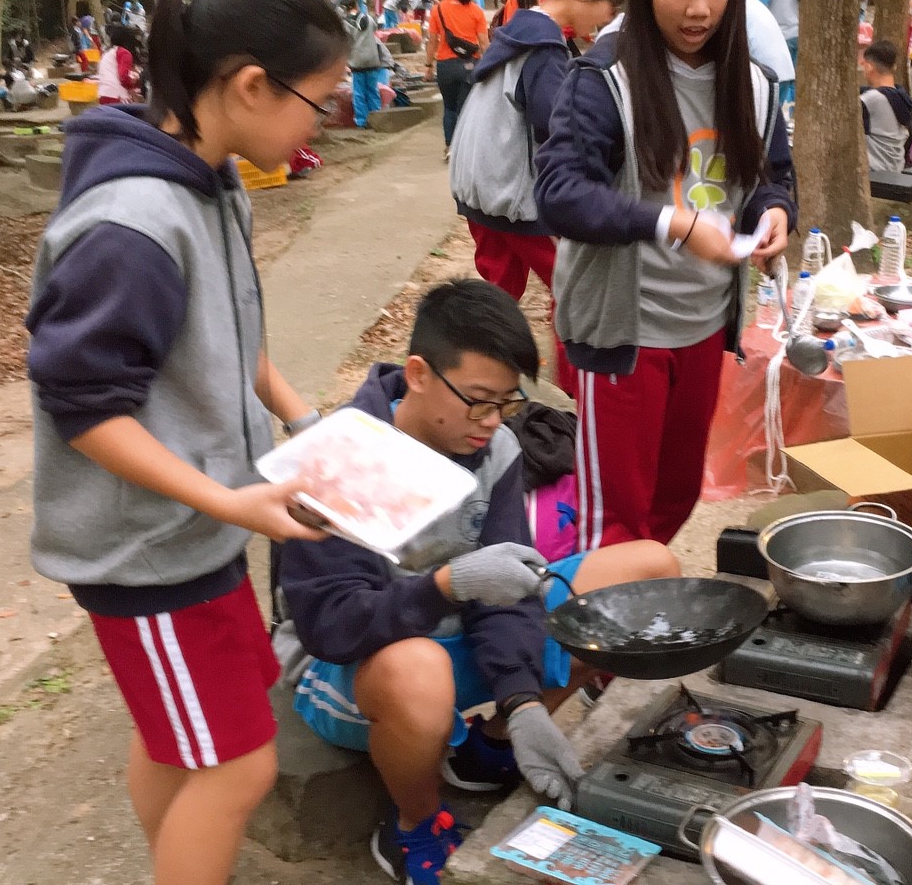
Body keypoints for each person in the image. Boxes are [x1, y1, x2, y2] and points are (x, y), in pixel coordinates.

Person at [22, 0, 348, 885]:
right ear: (250, 86)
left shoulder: (212, 176)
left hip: (196, 527)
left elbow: (229, 326)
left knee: (181, 740)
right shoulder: (133, 225)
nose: (325, 121)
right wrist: (229, 500)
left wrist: (304, 419)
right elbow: (83, 409)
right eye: (319, 101)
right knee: (237, 767)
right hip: (146, 548)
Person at [276, 280, 679, 885]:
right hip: (358, 669)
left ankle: (489, 751)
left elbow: (509, 585)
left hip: (457, 639)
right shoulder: (342, 457)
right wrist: (448, 584)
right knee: (420, 671)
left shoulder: (497, 448)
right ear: (418, 374)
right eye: (478, 402)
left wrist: (521, 702)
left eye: (506, 404)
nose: (491, 422)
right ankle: (414, 823)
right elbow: (333, 626)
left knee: (646, 570)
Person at [534, 0, 796, 550]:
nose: (700, 8)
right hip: (625, 336)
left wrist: (774, 212)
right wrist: (671, 223)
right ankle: (593, 609)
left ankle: (638, 598)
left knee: (674, 497)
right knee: (616, 520)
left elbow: (771, 177)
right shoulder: (604, 80)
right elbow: (560, 192)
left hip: (703, 328)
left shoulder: (754, 83)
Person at [454, 0, 625, 307]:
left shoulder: (519, 30)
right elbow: (557, 126)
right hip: (510, 197)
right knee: (577, 292)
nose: (607, 19)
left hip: (478, 190)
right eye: (610, 7)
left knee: (498, 302)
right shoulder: (544, 47)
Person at [427, 0, 490, 154]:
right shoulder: (476, 10)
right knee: (466, 109)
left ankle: (449, 147)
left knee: (449, 107)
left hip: (445, 65)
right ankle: (464, 150)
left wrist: (428, 66)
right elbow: (484, 42)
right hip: (470, 65)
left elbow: (432, 41)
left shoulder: (438, 10)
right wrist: (489, 65)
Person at [860, 41, 912, 174]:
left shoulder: (871, 99)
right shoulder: (900, 96)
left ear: (869, 67)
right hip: (896, 169)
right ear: (894, 67)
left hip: (875, 172)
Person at [744, 0, 796, 109]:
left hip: (767, 76)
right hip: (782, 69)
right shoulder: (750, 3)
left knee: (762, 118)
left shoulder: (736, 6)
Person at [348, 1, 394, 128]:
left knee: (359, 93)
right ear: (356, 6)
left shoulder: (345, 22)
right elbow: (374, 29)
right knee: (373, 91)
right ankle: (376, 119)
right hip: (372, 60)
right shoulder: (368, 18)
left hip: (357, 62)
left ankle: (361, 121)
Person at [96, 25, 142, 105]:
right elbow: (123, 77)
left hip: (103, 94)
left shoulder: (109, 52)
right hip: (117, 95)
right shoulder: (124, 53)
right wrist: (132, 85)